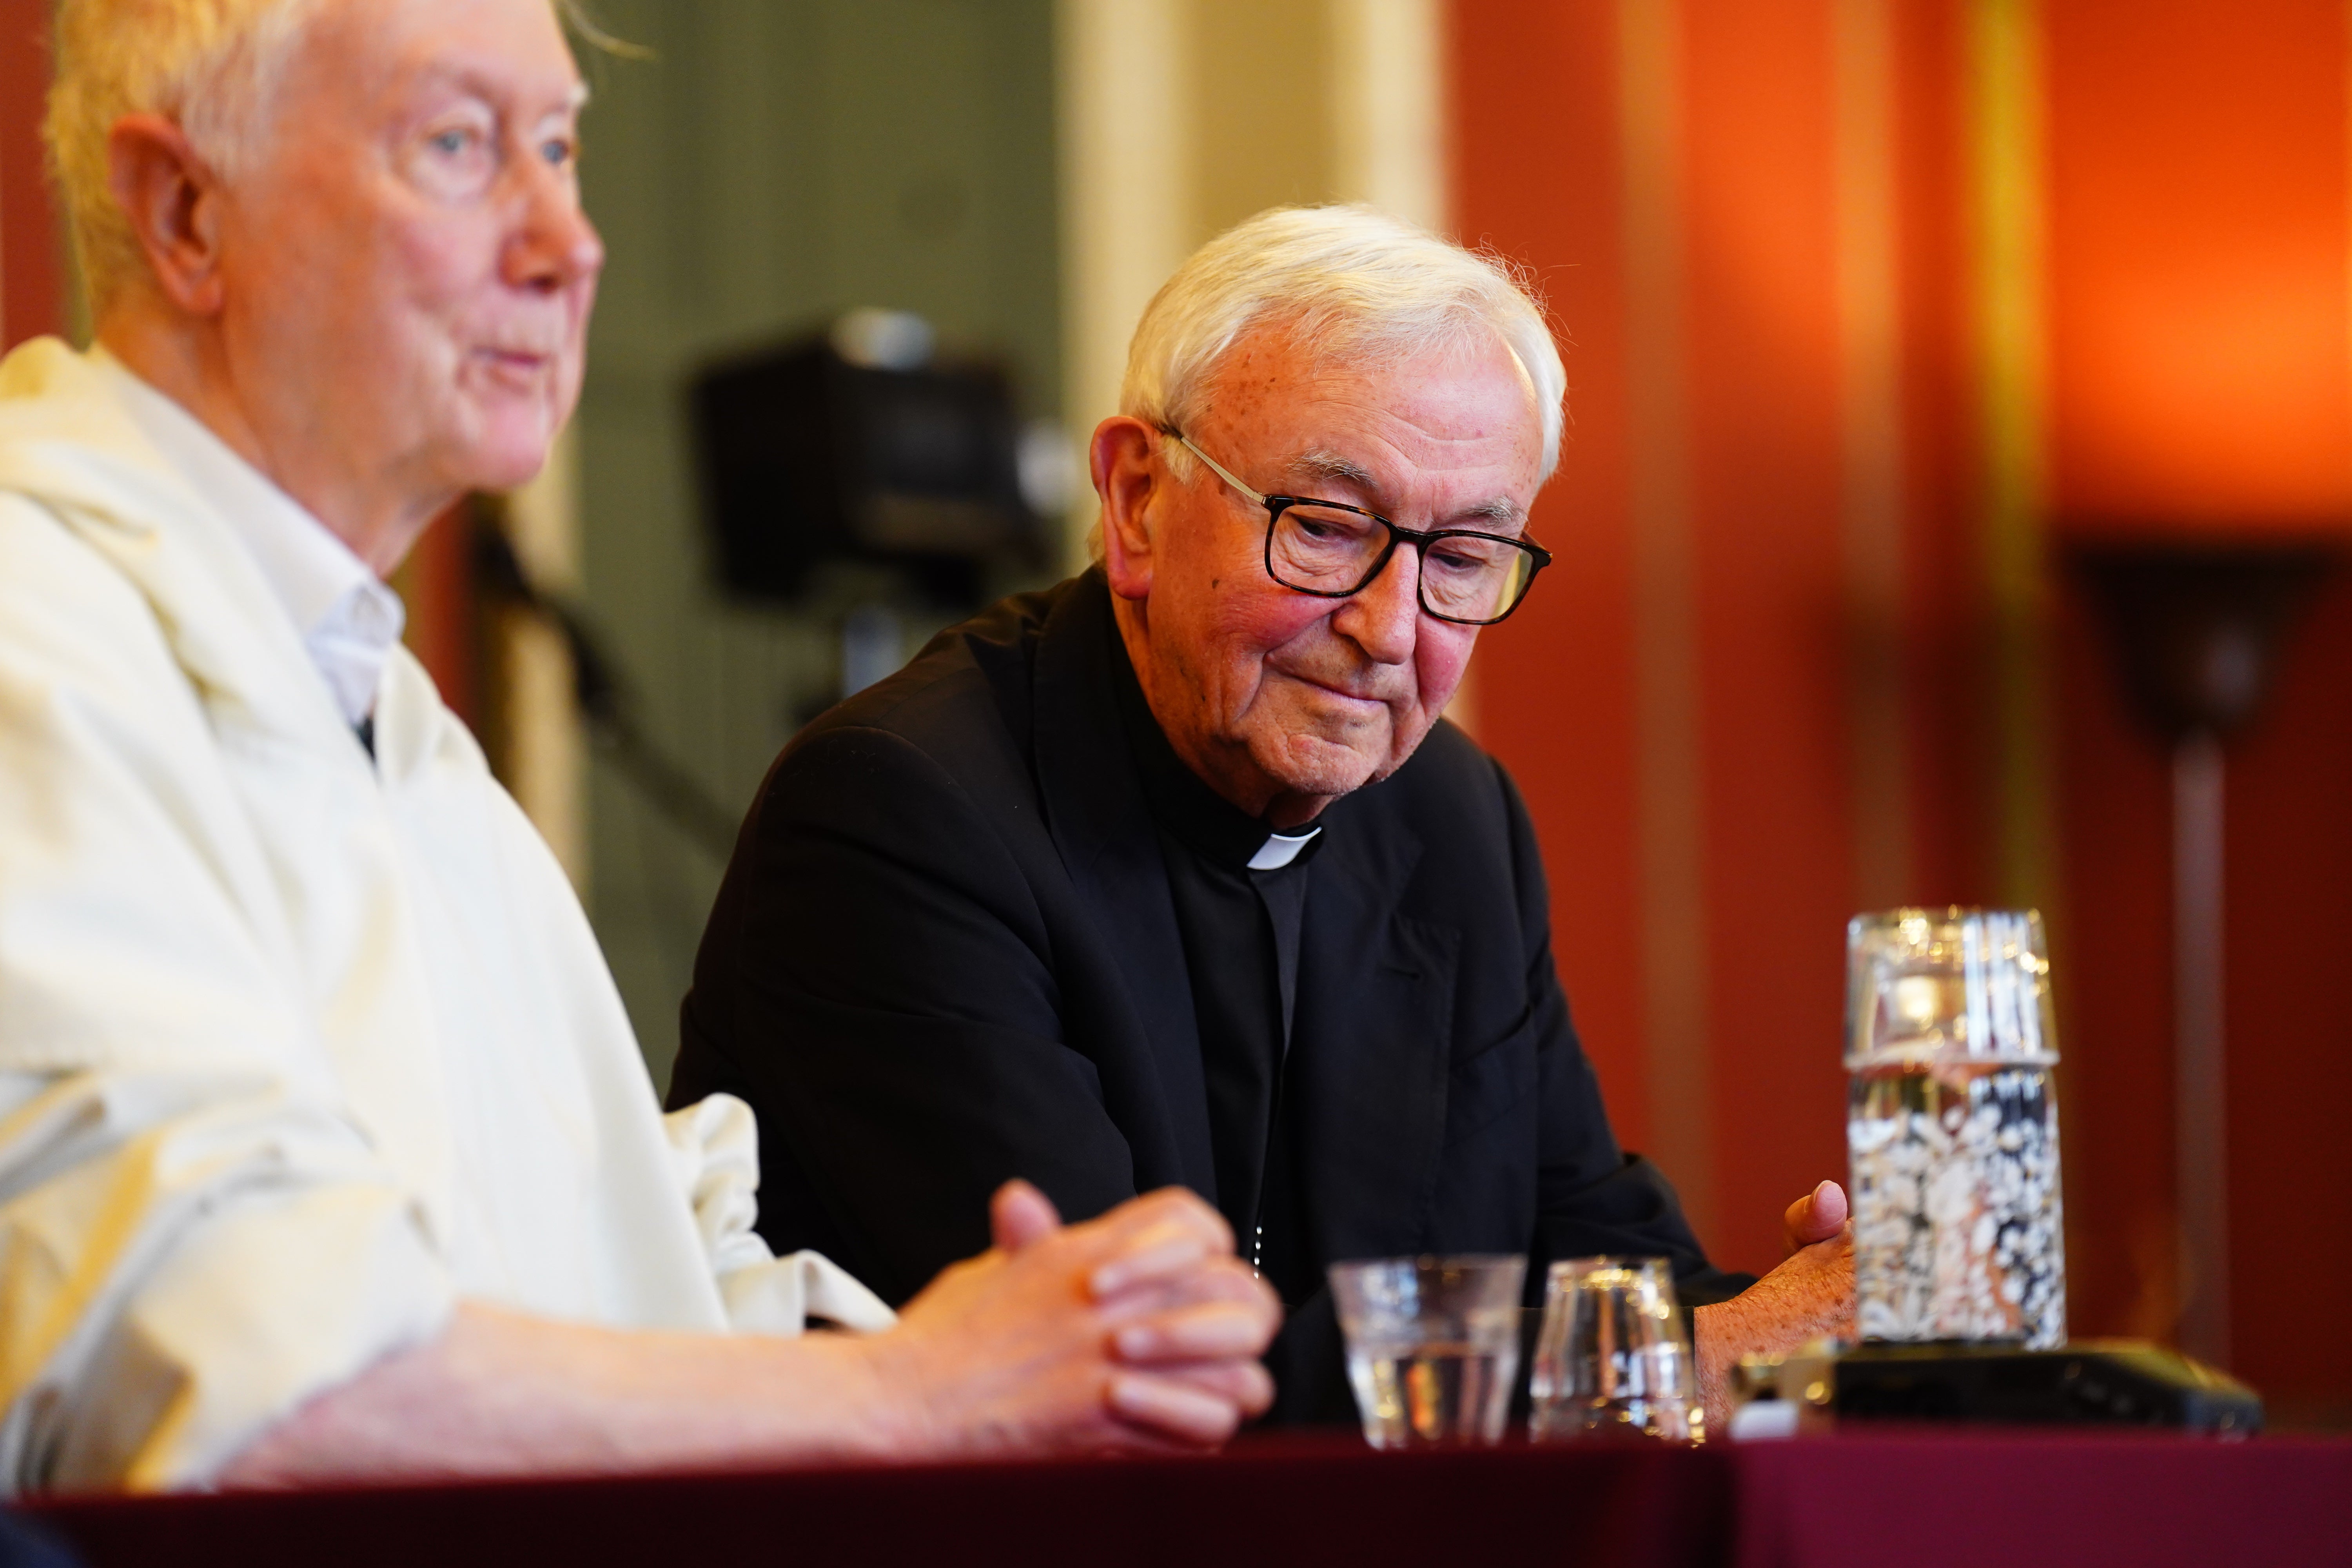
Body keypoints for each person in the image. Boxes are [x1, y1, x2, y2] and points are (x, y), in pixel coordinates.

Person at [0, 0, 1278, 1494]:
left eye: (559, 146)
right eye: (460, 145)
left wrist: (1044, 1356)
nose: (569, 240)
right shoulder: (40, 631)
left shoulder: (389, 724)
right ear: (185, 212)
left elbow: (613, 1278)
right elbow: (240, 1373)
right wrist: (920, 1395)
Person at [674, 205, 1856, 1428]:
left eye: (1461, 556)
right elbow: (1131, 1380)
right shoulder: (900, 814)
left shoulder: (1449, 818)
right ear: (1138, 501)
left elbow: (1593, 1260)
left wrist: (1817, 1324)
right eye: (1329, 530)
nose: (1391, 631)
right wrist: (1698, 1359)